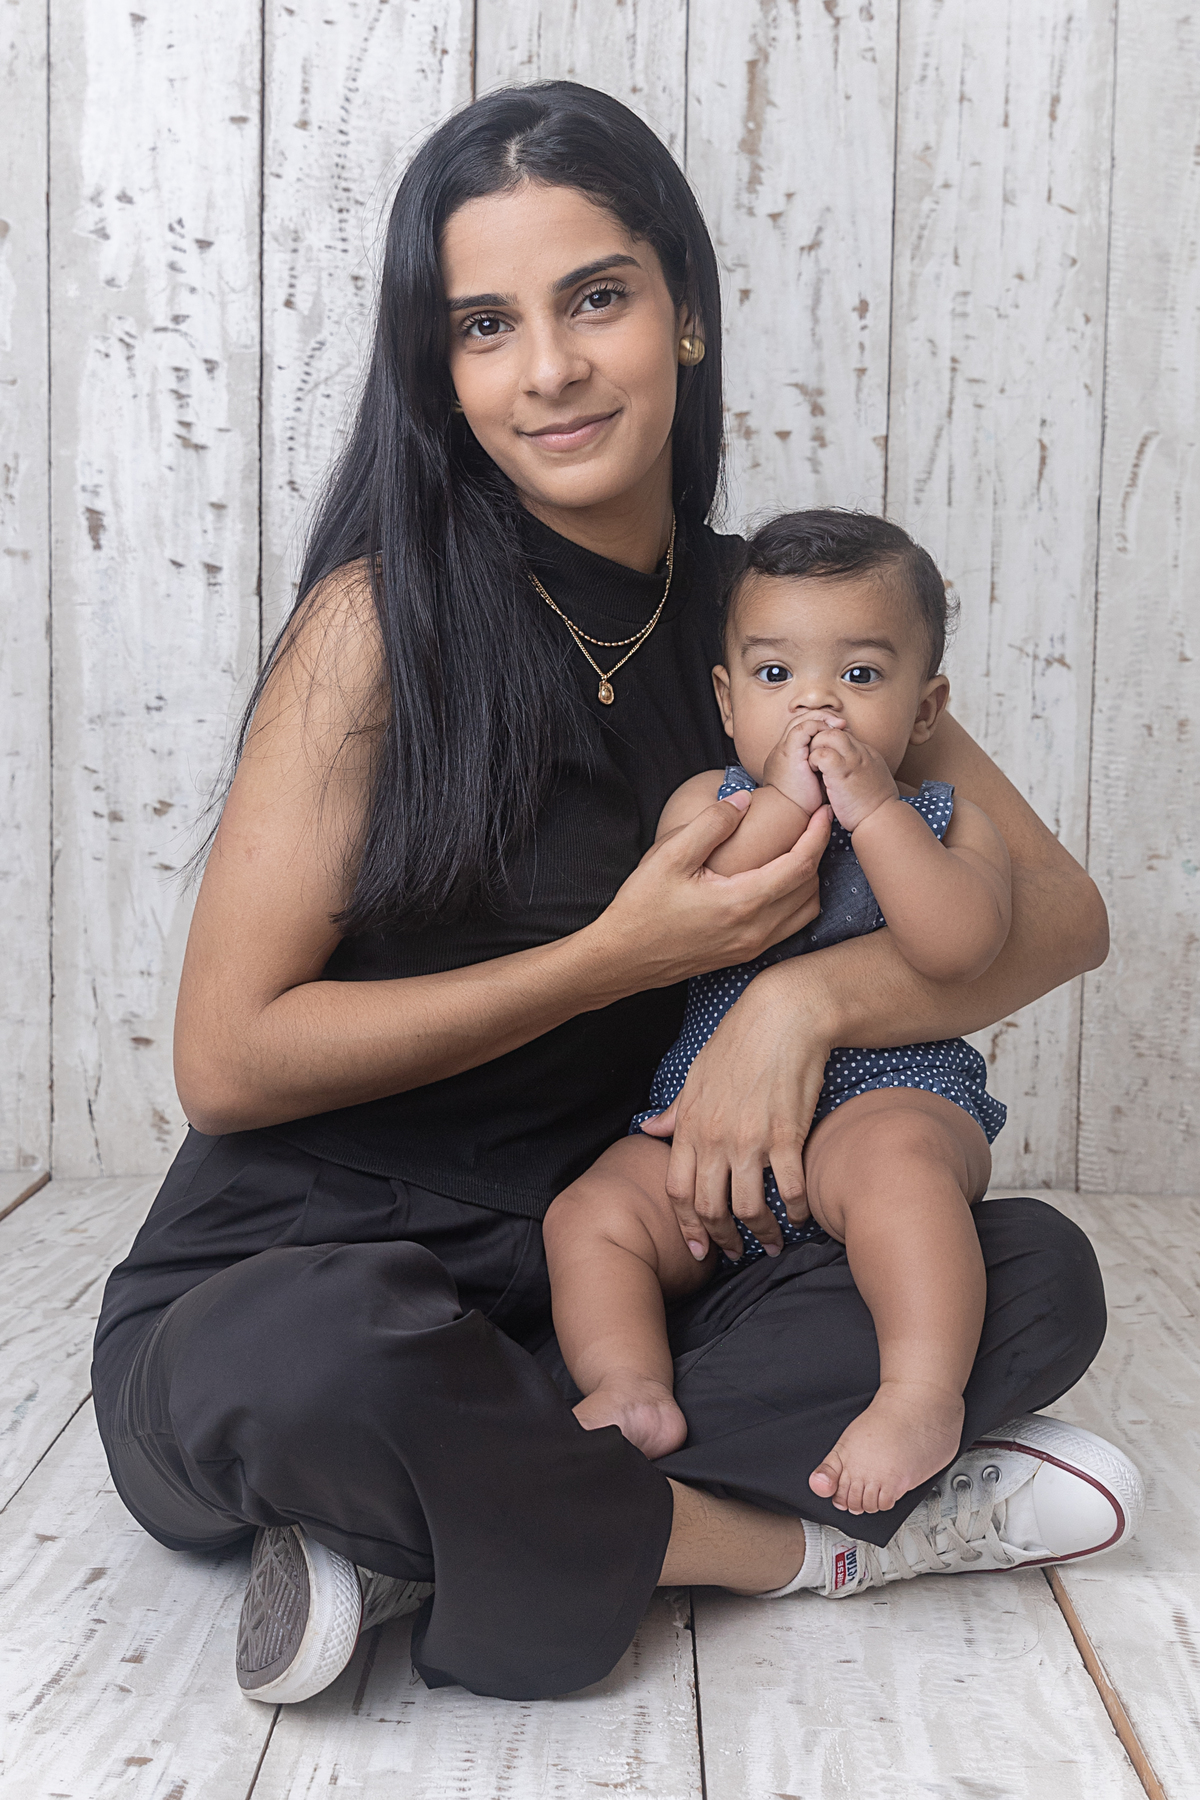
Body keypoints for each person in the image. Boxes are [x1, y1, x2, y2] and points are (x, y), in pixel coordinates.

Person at [91, 82, 1141, 1709]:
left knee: (1025, 1269)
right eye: (486, 326)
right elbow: (228, 1060)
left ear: (687, 313)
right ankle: (789, 1545)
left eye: (596, 299)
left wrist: (799, 1002)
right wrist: (615, 959)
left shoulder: (777, 627)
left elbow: (1058, 914)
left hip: (627, 1289)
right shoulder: (379, 626)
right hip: (313, 1267)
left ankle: (428, 1528)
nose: (551, 368)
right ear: (443, 372)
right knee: (285, 1373)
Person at [544, 510, 1014, 1514]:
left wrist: (877, 814)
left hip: (885, 1105)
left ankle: (919, 1394)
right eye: (774, 677)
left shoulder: (946, 820)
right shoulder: (701, 807)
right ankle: (628, 1384)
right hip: (706, 1139)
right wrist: (787, 802)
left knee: (903, 1171)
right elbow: (714, 886)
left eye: (859, 676)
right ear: (725, 698)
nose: (816, 707)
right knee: (590, 1214)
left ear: (925, 708)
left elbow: (960, 948)